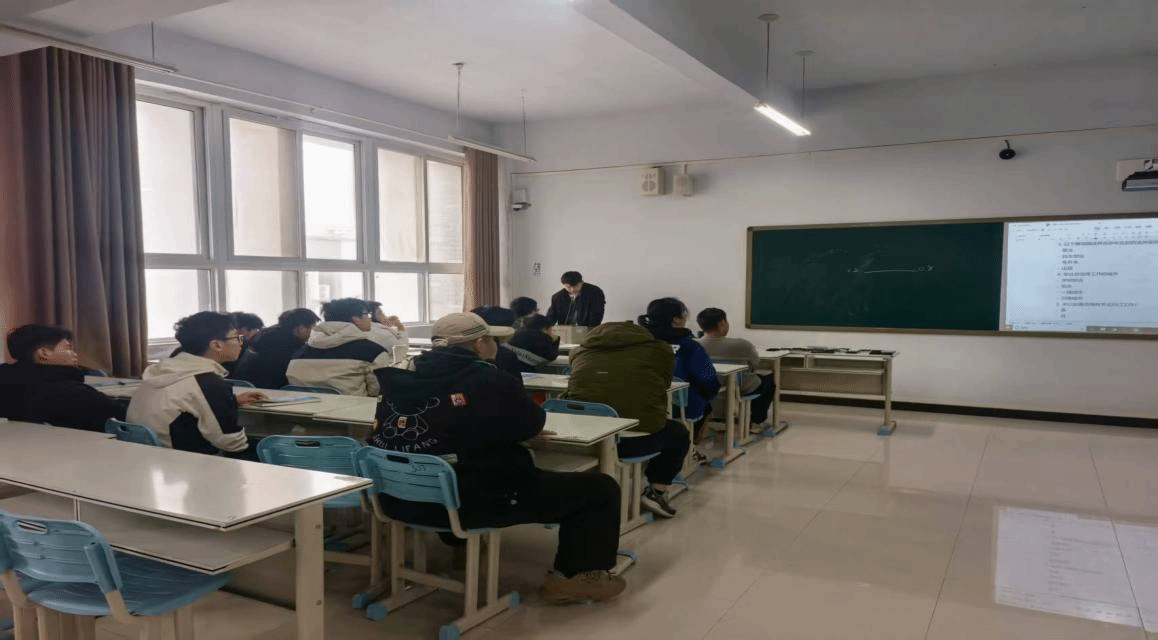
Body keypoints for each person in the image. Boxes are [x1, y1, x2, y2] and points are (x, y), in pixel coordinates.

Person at [367, 312, 625, 604]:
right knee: (600, 489)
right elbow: (532, 423)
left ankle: (460, 546)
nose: (496, 346)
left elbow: (441, 429)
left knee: (446, 461)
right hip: (473, 503)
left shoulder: (399, 376)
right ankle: (574, 578)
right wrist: (513, 434)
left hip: (398, 499)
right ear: (480, 344)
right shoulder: (489, 378)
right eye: (493, 340)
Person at [563, 321, 690, 519]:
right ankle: (656, 492)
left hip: (586, 440)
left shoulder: (580, 352)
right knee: (678, 433)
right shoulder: (659, 350)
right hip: (634, 442)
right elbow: (664, 383)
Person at [127, 312, 268, 459]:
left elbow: (185, 403)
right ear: (217, 345)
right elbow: (232, 443)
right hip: (183, 462)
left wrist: (231, 401)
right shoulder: (207, 382)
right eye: (236, 337)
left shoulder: (161, 370)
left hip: (145, 453)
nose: (241, 342)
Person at [0, 325, 127, 431]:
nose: (74, 354)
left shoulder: (7, 383)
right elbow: (127, 416)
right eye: (68, 348)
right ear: (44, 353)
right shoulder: (74, 393)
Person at [638, 298, 720, 447]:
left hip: (643, 404)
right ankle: (691, 448)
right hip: (681, 406)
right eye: (684, 314)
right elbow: (709, 382)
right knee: (704, 405)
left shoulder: (641, 342)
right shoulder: (690, 346)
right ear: (676, 320)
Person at [287, 298, 394, 396]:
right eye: (367, 315)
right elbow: (378, 390)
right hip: (353, 409)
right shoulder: (373, 352)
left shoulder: (299, 353)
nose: (370, 319)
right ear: (357, 319)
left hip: (302, 409)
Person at [696, 308, 776, 431]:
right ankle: (756, 421)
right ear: (722, 324)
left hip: (707, 387)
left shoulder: (694, 345)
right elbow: (755, 363)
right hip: (739, 387)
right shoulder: (742, 344)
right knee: (768, 383)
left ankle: (715, 418)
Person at [232, 308, 320, 390]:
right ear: (302, 328)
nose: (314, 332)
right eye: (313, 327)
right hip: (269, 391)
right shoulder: (289, 344)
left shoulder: (266, 335)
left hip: (246, 387)